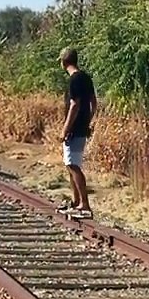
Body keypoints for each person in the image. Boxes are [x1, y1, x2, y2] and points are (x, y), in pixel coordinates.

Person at [58, 47, 96, 219]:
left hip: (73, 129)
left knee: (73, 165)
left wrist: (65, 129)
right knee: (71, 164)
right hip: (82, 127)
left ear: (64, 62)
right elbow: (93, 102)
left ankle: (84, 204)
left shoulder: (74, 79)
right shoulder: (86, 77)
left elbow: (74, 104)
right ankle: (76, 202)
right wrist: (88, 120)